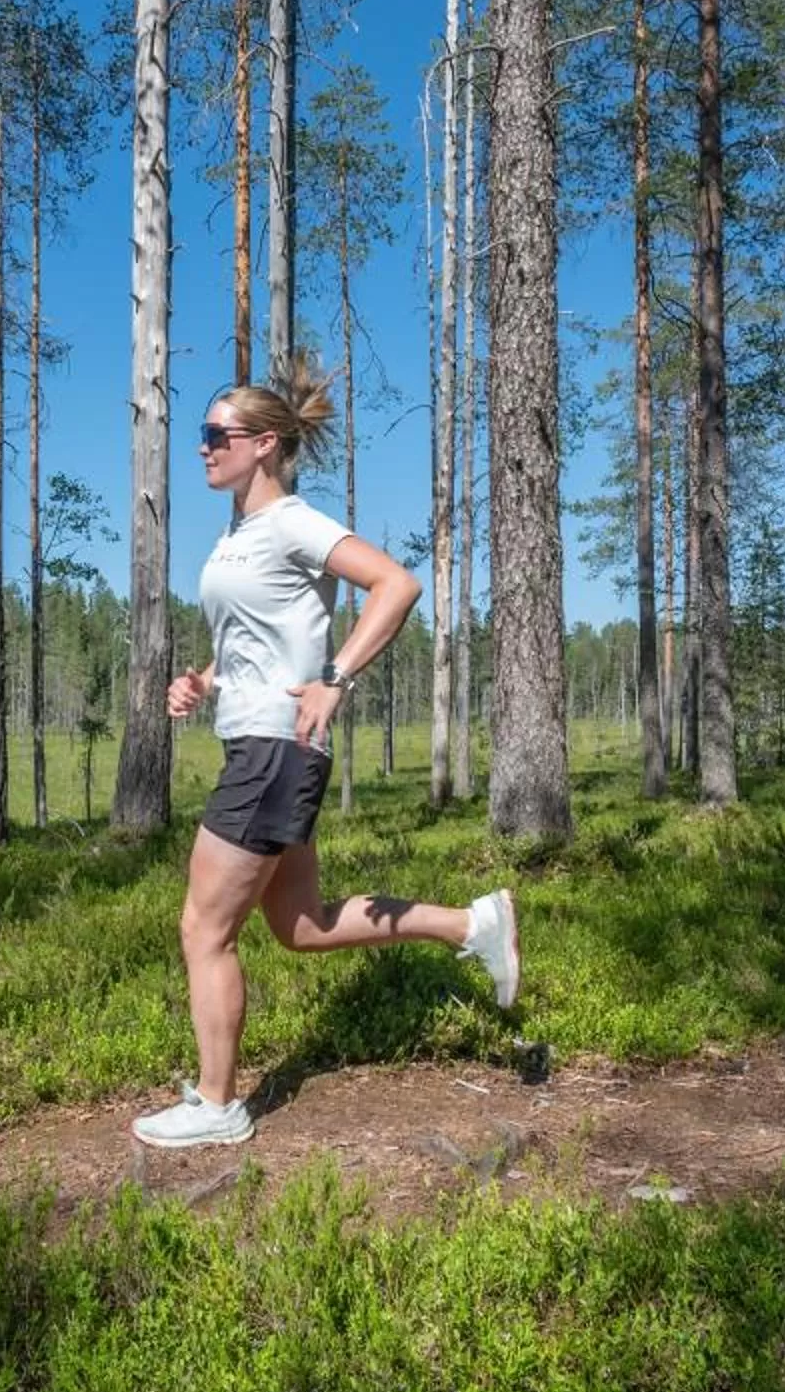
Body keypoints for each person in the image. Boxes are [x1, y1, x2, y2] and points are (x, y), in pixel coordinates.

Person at [132, 366, 519, 1149]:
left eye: (217, 437)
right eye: (202, 437)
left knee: (204, 931)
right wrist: (202, 681)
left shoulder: (294, 523)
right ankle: (473, 923)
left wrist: (335, 680)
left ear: (264, 445)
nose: (203, 449)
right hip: (265, 742)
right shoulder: (240, 534)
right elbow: (260, 639)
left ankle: (217, 1106)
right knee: (302, 926)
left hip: (276, 750)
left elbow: (397, 586)